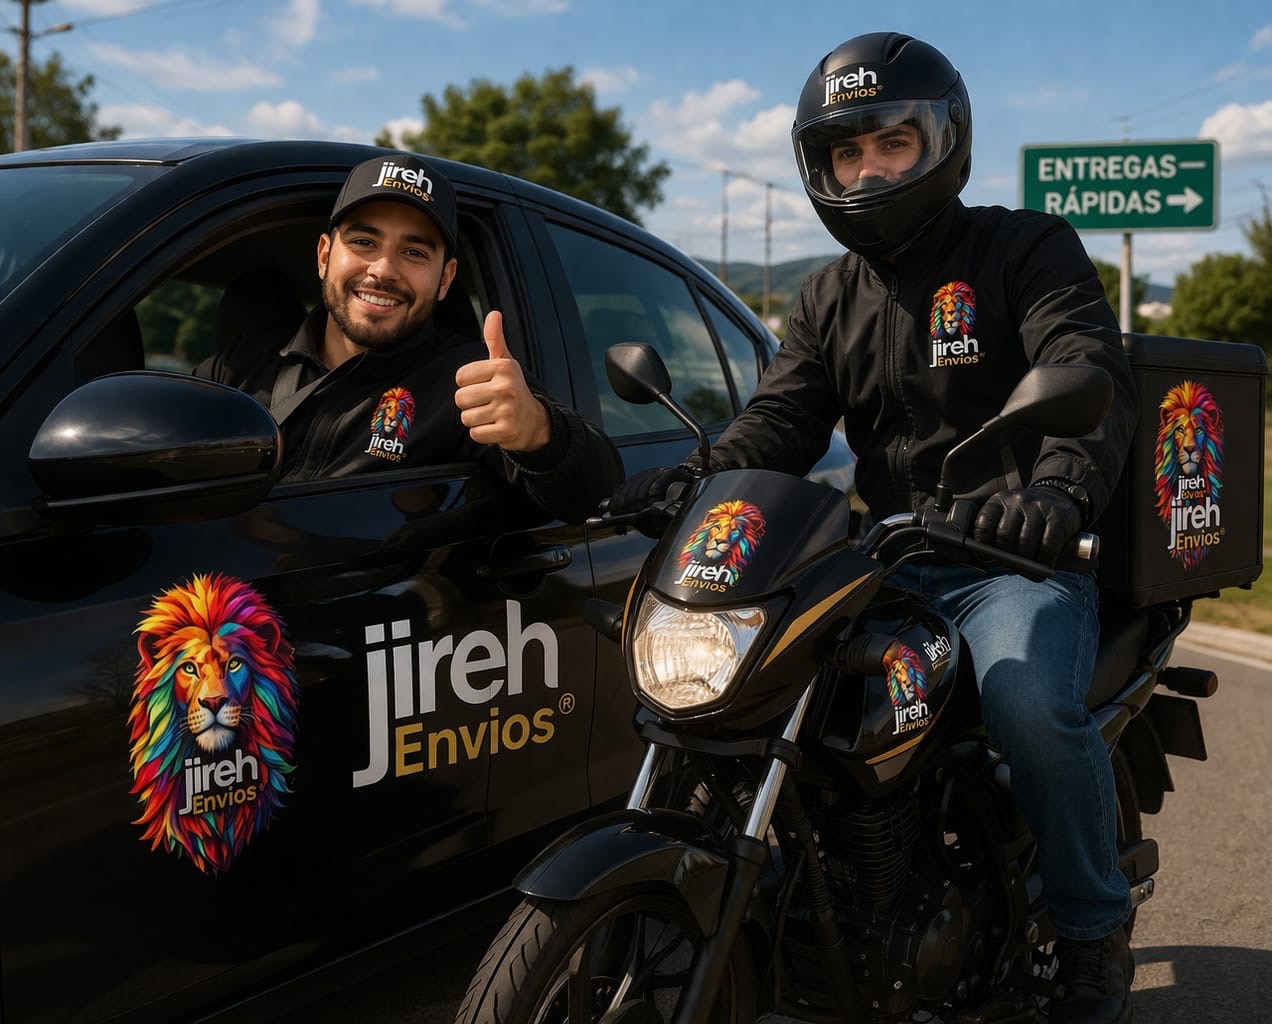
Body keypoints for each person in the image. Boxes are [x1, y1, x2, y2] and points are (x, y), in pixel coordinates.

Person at [610, 32, 1139, 1024]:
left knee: (1028, 705)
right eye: (845, 152)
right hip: (878, 560)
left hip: (1009, 559)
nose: (868, 170)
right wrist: (694, 478)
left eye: (891, 142)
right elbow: (780, 421)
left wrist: (1053, 494)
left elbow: (1088, 373)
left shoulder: (1026, 250)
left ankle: (1090, 932)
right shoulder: (826, 295)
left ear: (944, 140)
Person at [198, 153, 622, 524]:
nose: (383, 270)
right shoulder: (239, 368)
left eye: (414, 252)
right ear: (325, 256)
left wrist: (540, 433)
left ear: (445, 279)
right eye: (364, 242)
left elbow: (600, 498)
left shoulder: (473, 383)